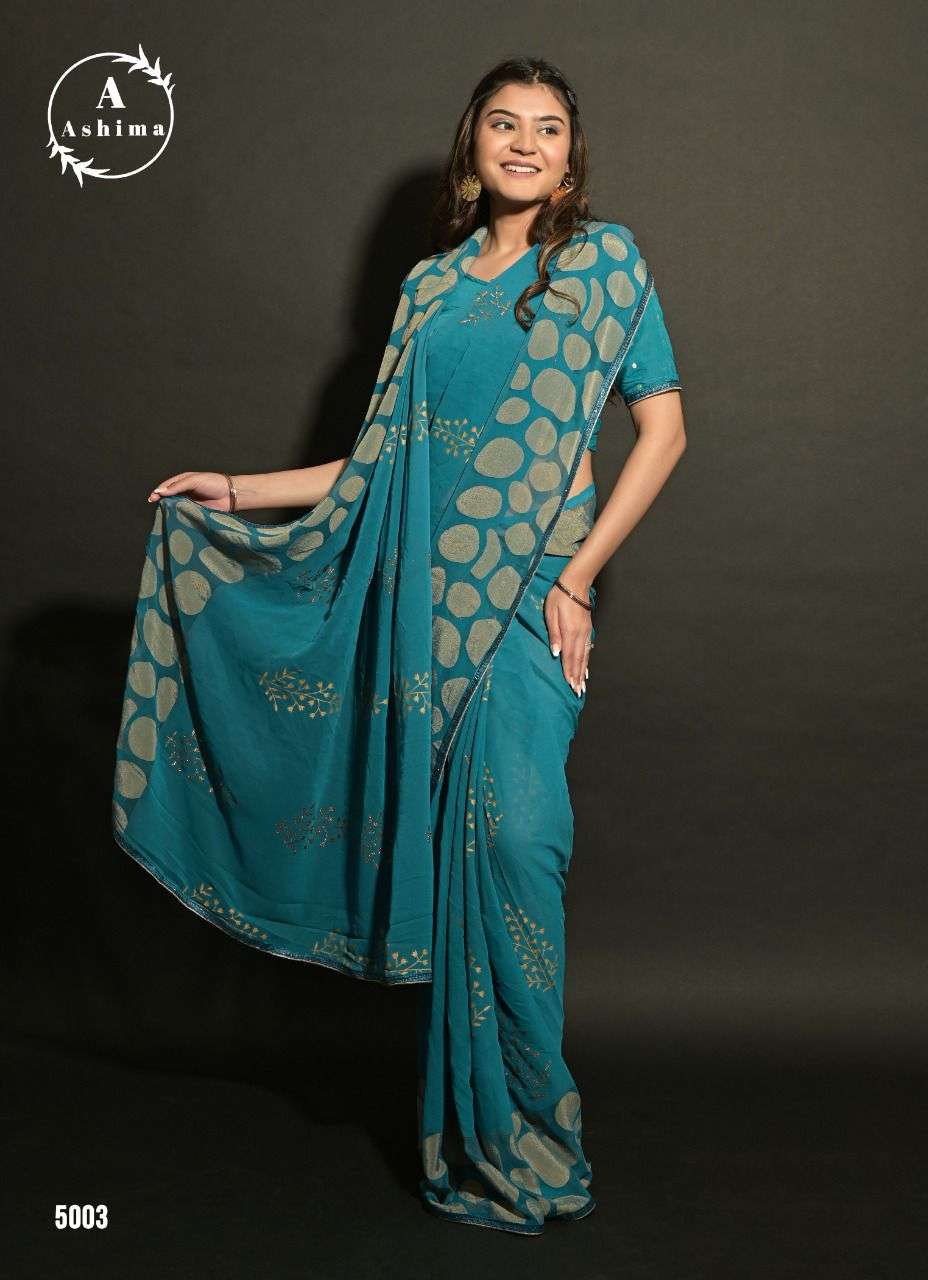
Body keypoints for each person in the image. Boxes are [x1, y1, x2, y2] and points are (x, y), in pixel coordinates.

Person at [113, 56, 686, 1235]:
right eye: (504, 123)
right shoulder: (428, 289)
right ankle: (474, 1139)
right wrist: (236, 488)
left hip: (532, 596)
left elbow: (665, 430)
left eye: (549, 129)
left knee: (518, 842)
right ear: (472, 142)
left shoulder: (600, 263)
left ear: (572, 157)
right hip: (429, 609)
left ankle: (536, 1128)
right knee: (466, 853)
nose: (524, 143)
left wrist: (578, 576)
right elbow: (378, 464)